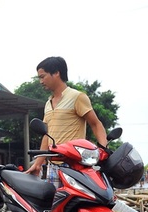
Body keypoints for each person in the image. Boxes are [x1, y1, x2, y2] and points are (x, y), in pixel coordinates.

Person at [26, 57, 108, 187]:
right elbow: (47, 136)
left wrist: (102, 151)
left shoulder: (77, 97)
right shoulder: (48, 103)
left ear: (56, 73)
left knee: (77, 204)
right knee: (54, 205)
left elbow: (96, 124)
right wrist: (38, 163)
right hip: (53, 166)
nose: (41, 81)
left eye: (43, 76)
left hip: (74, 165)